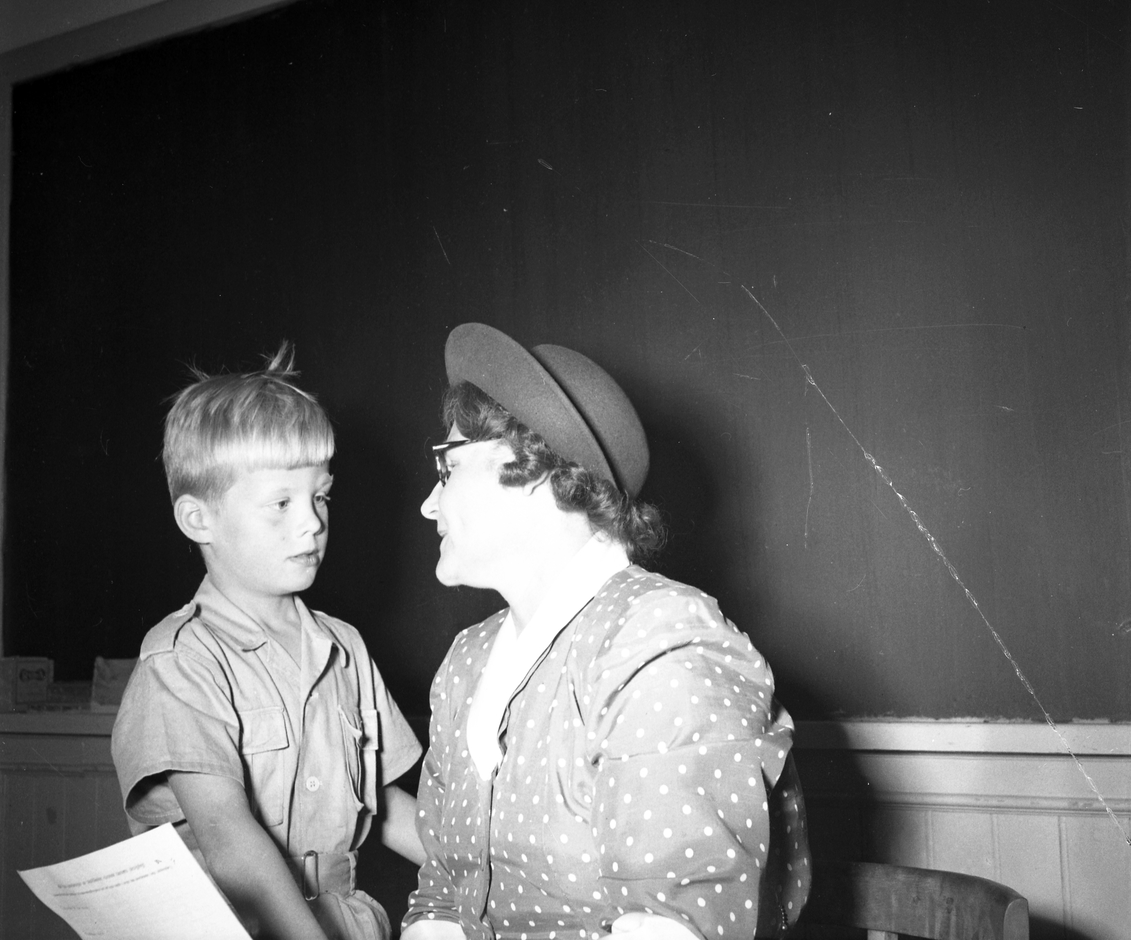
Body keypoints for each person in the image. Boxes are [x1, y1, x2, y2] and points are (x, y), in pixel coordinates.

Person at [401, 324, 810, 940]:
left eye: (449, 466)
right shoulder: (467, 661)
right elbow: (440, 898)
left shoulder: (660, 643)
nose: (430, 503)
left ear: (528, 468)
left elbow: (674, 927)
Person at [112, 344, 425, 940]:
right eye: (281, 503)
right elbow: (227, 837)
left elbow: (381, 806)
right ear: (198, 519)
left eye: (320, 496)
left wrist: (492, 877)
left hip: (345, 917)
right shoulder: (182, 658)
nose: (312, 522)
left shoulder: (345, 647)